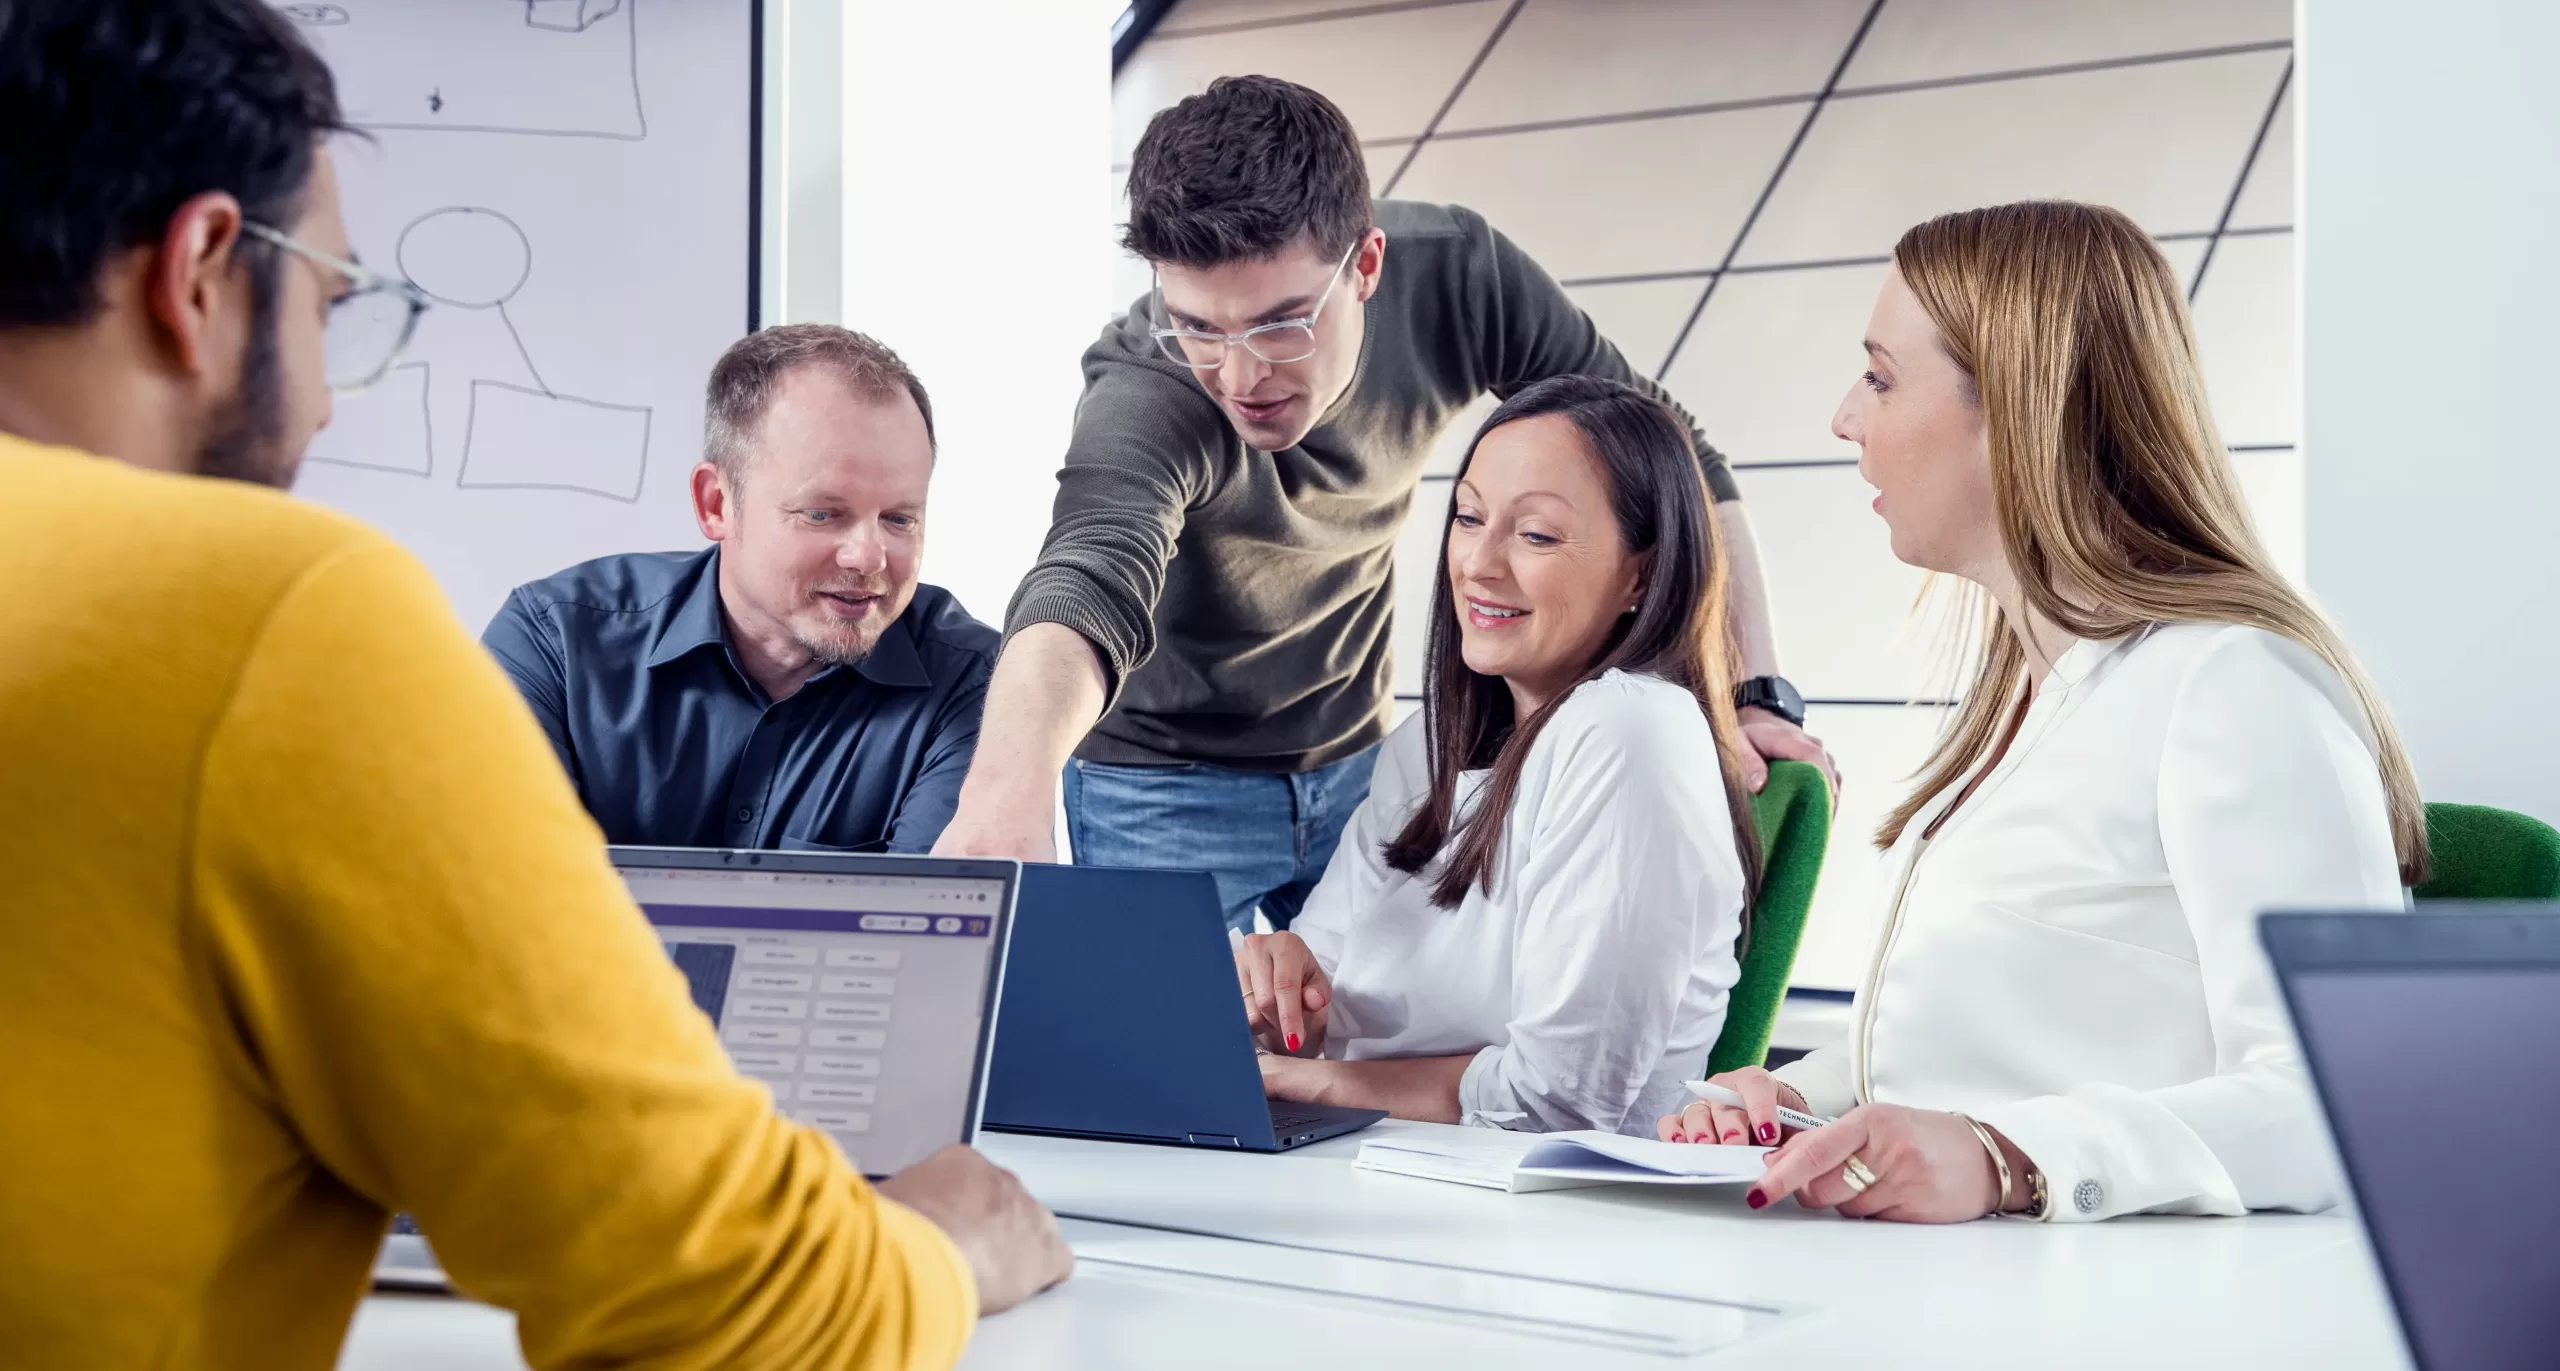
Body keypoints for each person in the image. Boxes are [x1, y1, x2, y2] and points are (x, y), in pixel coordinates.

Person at [0, 0, 1066, 1371]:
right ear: (197, 274)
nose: (319, 396)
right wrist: (949, 1238)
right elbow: (727, 1304)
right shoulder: (271, 615)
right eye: (331, 301)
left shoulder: (954, 663)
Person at [1661, 200, 2422, 1224]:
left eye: (1882, 377)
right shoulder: (2025, 699)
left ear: (2017, 408)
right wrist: (1796, 1102)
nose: (1846, 416)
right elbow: (1965, 1043)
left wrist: (2004, 1157)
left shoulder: (2232, 686)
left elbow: (2341, 1104)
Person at [936, 74, 1832, 930]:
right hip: (1163, 788)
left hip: (1362, 760)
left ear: (1366, 263)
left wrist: (1753, 690)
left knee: (1371, 1058)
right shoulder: (1148, 384)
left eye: (1282, 323)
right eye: (1200, 326)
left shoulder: (1459, 277)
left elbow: (1672, 451)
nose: (1240, 376)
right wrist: (1003, 799)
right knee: (1155, 1072)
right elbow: (1085, 577)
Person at [1236, 376, 1760, 1133]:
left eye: (1537, 534)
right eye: (1469, 517)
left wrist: (1316, 1083)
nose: (1480, 563)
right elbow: (1319, 1000)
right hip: (1371, 1181)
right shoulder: (1428, 748)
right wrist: (1278, 990)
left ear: (1641, 574)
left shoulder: (1631, 730)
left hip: (1542, 1219)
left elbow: (1560, 1100)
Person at [484, 324, 997, 852]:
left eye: (899, 519)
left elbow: (927, 929)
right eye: (822, 513)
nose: (868, 556)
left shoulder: (978, 688)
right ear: (716, 504)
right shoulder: (555, 644)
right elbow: (497, 899)